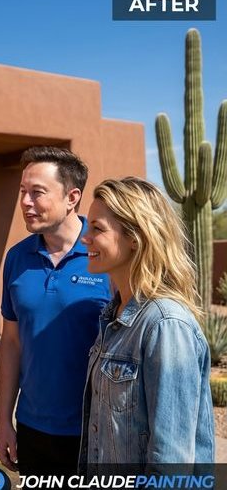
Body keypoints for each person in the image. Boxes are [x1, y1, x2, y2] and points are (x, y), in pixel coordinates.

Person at [78, 177, 214, 468]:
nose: (84, 238)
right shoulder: (113, 316)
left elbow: (171, 460)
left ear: (134, 238)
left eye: (97, 228)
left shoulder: (166, 325)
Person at [0, 147, 111, 476]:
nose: (26, 202)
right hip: (32, 429)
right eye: (22, 192)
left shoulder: (104, 255)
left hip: (95, 431)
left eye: (37, 192)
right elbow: (12, 342)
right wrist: (4, 420)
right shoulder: (16, 259)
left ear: (72, 197)